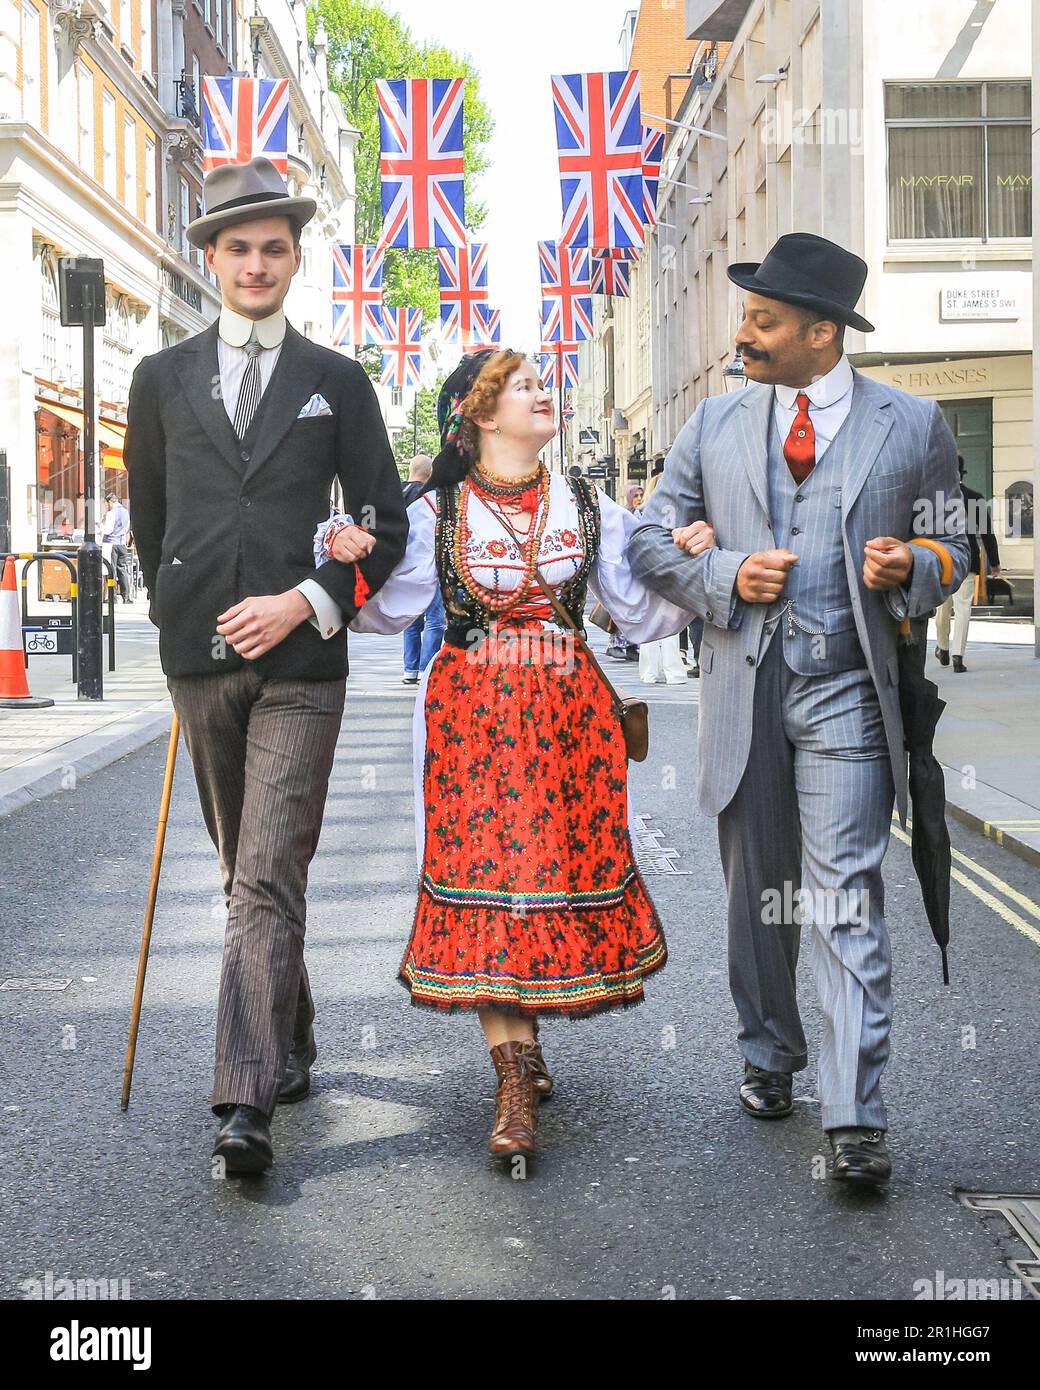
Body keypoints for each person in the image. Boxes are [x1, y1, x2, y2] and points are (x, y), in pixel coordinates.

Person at [630, 233, 969, 1191]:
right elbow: (652, 542)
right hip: (745, 688)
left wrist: (918, 568)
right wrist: (726, 571)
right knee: (757, 894)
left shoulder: (912, 425)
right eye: (747, 315)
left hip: (848, 696)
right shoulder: (714, 425)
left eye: (763, 320)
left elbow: (957, 545)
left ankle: (856, 1115)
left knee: (845, 896)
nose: (744, 333)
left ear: (822, 334)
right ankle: (769, 1052)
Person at [329, 349, 706, 1164]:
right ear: (480, 413)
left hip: (572, 725)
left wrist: (688, 554)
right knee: (492, 889)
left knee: (548, 884)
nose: (545, 394)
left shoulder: (586, 502)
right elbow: (381, 615)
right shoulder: (437, 512)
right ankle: (511, 1073)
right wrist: (347, 555)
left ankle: (521, 1052)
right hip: (472, 722)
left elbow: (639, 612)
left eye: (543, 383)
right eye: (525, 387)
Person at [125, 157, 408, 1174]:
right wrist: (175, 618)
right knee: (247, 869)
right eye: (238, 247)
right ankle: (290, 1030)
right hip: (198, 661)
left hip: (301, 662)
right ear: (210, 258)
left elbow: (385, 521)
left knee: (264, 873)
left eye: (274, 247)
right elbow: (151, 517)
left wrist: (311, 599)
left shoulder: (336, 381)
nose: (256, 263)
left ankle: (243, 1099)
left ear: (294, 259)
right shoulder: (158, 377)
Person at [934, 456, 1001, 673]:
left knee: (942, 607)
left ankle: (942, 647)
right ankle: (957, 657)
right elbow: (987, 533)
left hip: (942, 559)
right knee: (963, 608)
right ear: (962, 473)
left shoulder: (936, 499)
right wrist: (995, 563)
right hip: (968, 559)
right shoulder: (975, 498)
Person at [635, 474, 688, 686]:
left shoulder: (644, 512)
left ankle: (649, 671)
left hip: (648, 566)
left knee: (650, 620)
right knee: (670, 622)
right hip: (672, 566)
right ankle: (674, 671)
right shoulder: (677, 508)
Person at [400, 455, 446, 684]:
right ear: (429, 473)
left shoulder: (395, 494)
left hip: (406, 566)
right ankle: (426, 668)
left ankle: (409, 668)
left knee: (411, 619)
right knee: (435, 620)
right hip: (432, 562)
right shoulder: (431, 496)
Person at [604, 483, 645, 662]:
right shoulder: (623, 514)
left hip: (639, 566)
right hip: (627, 567)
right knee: (624, 607)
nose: (638, 499)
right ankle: (616, 644)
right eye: (635, 496)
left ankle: (632, 645)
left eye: (640, 496)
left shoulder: (643, 514)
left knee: (637, 608)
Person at [101, 492, 133, 602]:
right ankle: (126, 596)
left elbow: (108, 530)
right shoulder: (125, 512)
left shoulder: (111, 513)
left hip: (111, 544)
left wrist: (100, 526)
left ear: (110, 502)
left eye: (106, 504)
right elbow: (126, 528)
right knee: (122, 569)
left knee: (112, 570)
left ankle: (112, 597)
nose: (106, 506)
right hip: (122, 543)